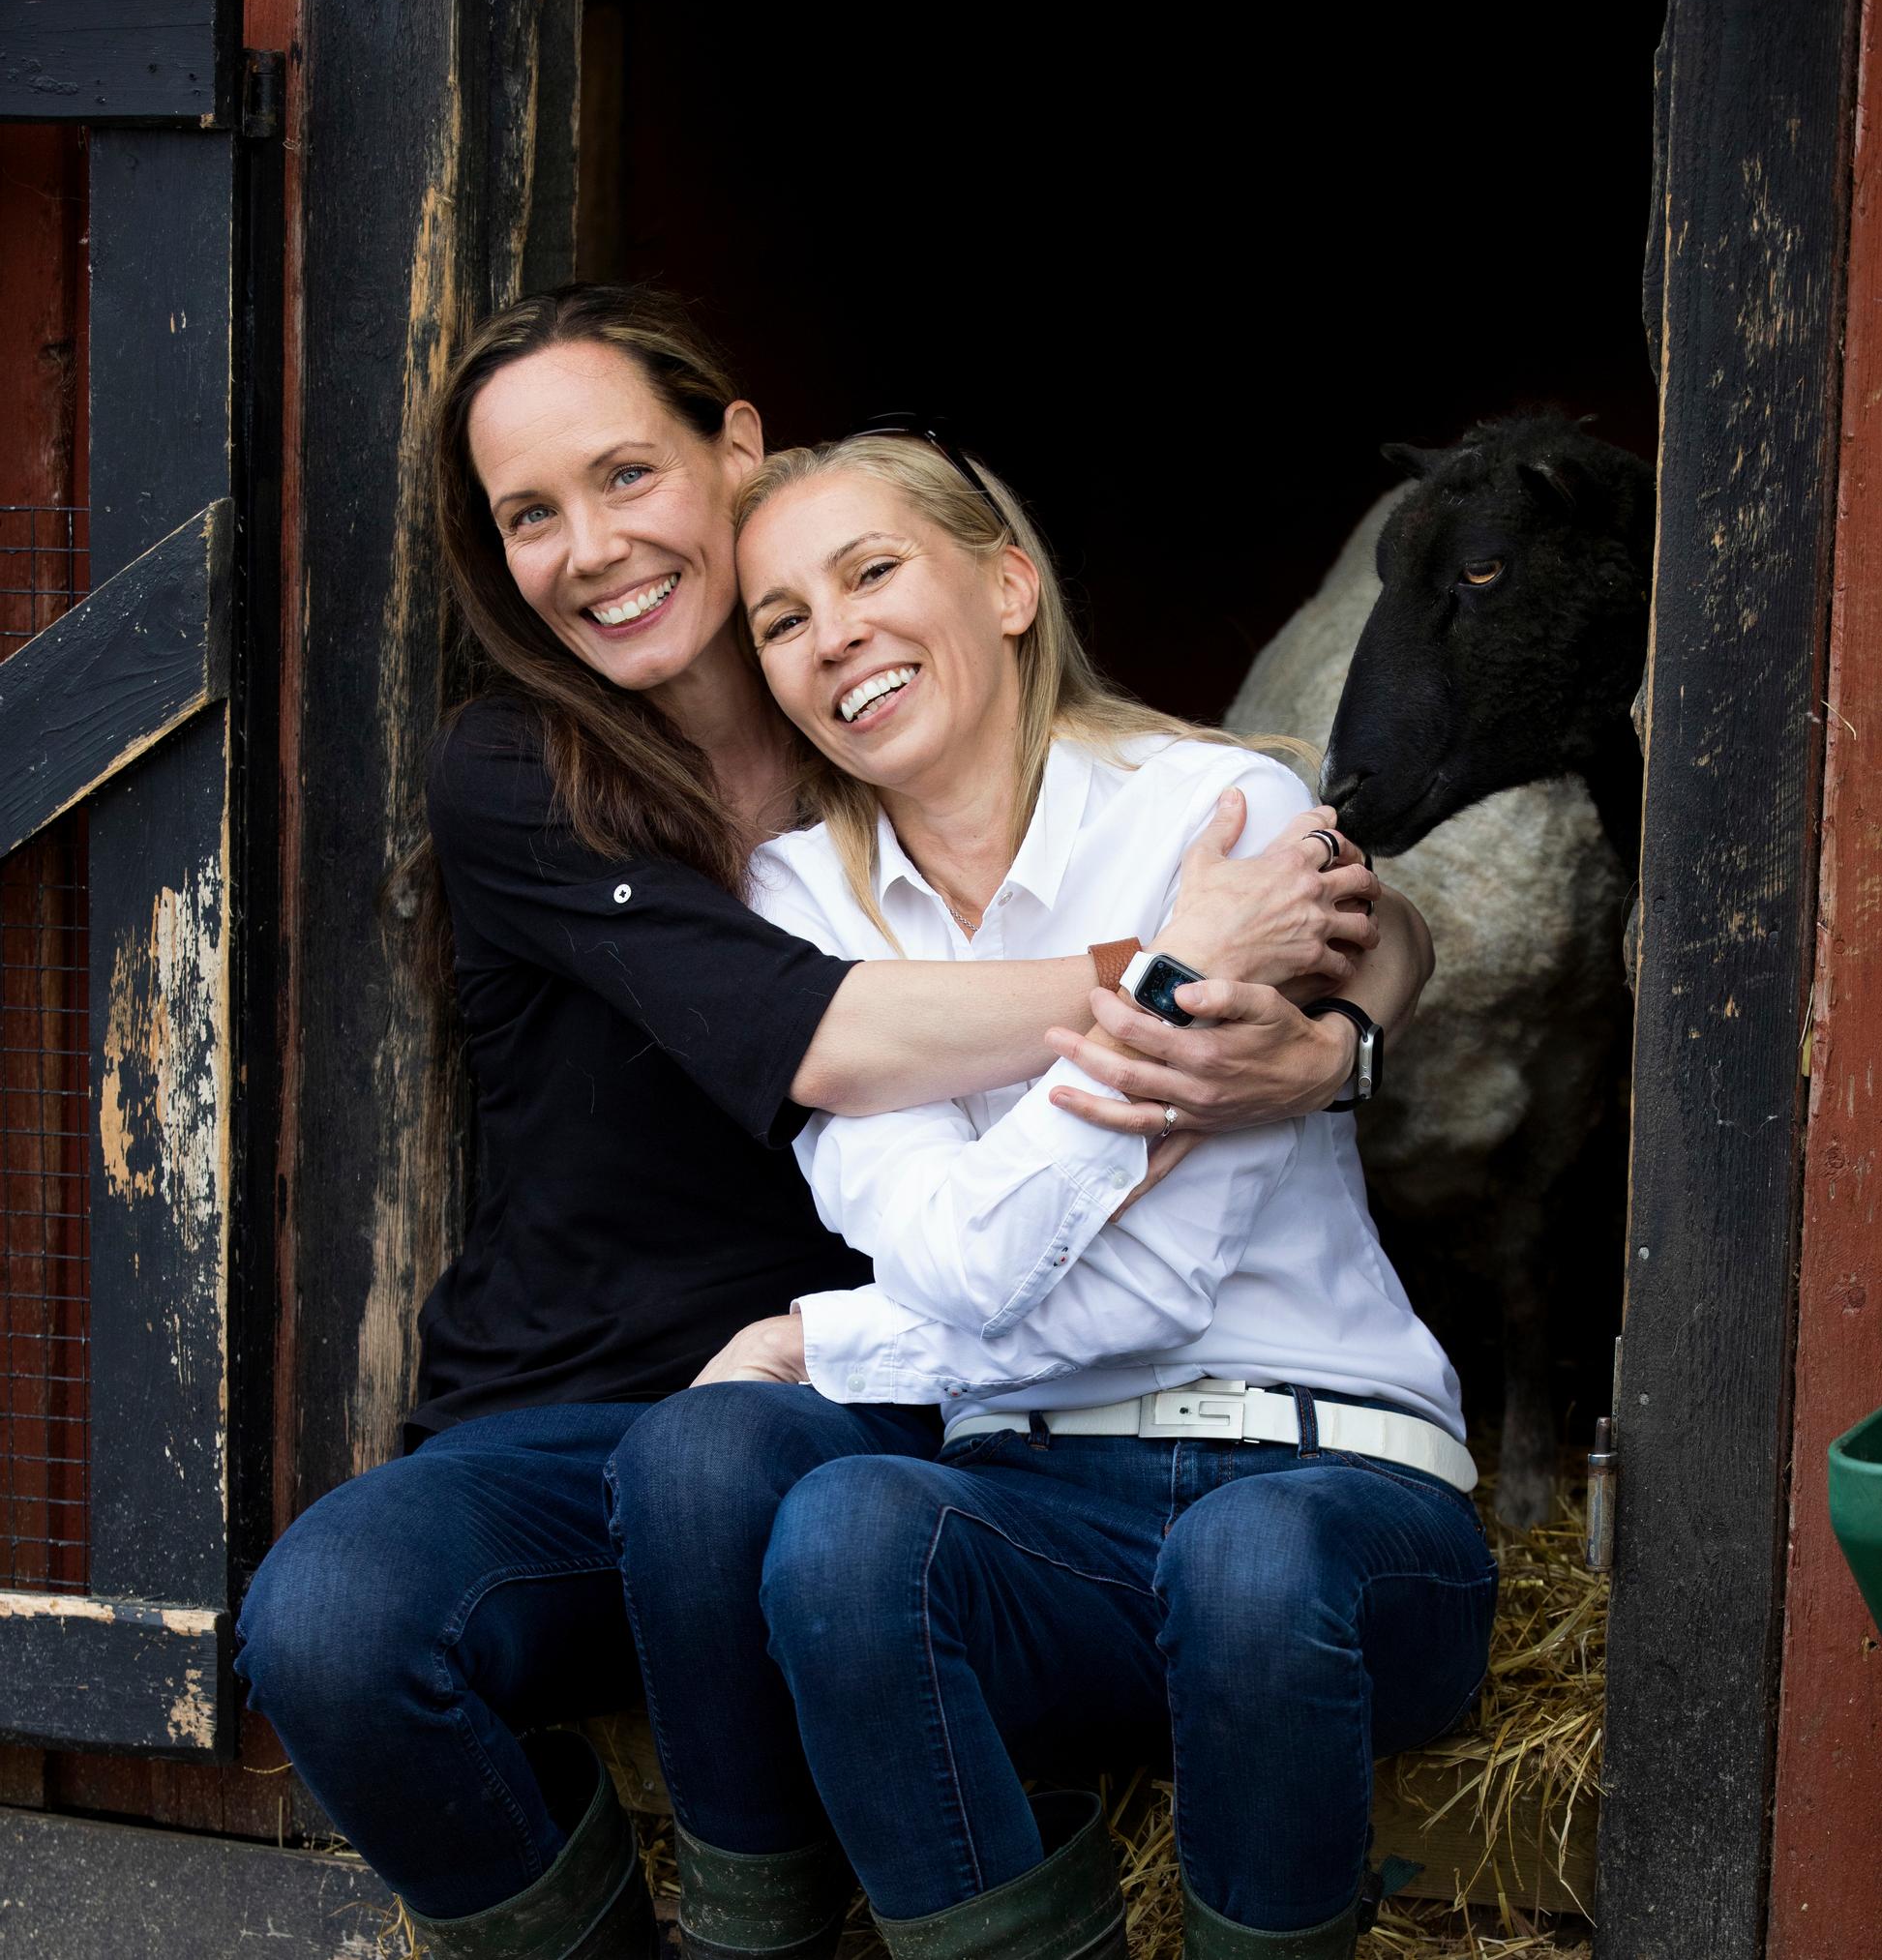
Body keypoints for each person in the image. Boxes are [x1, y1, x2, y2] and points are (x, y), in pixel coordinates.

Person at [231, 286, 1424, 1960]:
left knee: (742, 1471)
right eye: (529, 515)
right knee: (329, 1627)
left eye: (625, 473)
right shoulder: (529, 775)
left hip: (894, 1397)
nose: (592, 547)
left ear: (737, 451)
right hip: (586, 1400)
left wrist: (1339, 1033)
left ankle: (780, 1924)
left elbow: (1315, 882)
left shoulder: (916, 752)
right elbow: (833, 1037)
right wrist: (1180, 969)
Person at [615, 432, 1493, 1960]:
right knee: (843, 1531)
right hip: (1043, 1507)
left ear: (1009, 586)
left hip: (1330, 1482)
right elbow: (952, 1259)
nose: (835, 636)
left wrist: (831, 1341)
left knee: (1247, 1562)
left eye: (871, 571)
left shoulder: (1220, 817)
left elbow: (1138, 1289)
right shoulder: (795, 905)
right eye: (782, 618)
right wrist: (1169, 991)